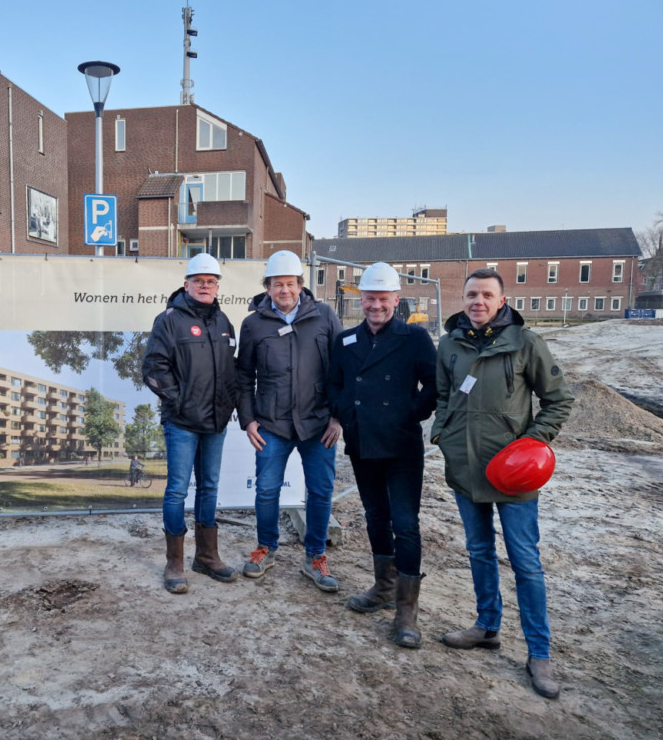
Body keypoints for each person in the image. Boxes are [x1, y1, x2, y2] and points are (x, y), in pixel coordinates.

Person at [432, 268, 574, 699]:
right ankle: (487, 626)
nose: (478, 301)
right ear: (464, 298)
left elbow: (559, 399)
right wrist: (443, 434)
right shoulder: (449, 344)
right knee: (478, 551)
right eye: (471, 294)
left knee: (525, 561)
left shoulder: (525, 343)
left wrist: (530, 445)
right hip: (466, 467)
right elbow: (444, 397)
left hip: (513, 472)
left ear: (502, 300)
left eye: (487, 295)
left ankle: (539, 652)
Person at [325, 262, 437, 648]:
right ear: (362, 299)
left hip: (402, 444)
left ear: (396, 300)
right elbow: (334, 383)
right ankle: (383, 586)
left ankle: (407, 611)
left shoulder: (414, 337)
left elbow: (434, 385)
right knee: (375, 516)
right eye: (369, 298)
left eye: (382, 298)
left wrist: (410, 413)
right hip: (362, 441)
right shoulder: (347, 340)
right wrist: (348, 414)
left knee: (405, 523)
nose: (375, 305)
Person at [236, 250, 343, 591]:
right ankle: (265, 548)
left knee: (321, 492)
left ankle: (315, 557)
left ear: (301, 285)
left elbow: (343, 370)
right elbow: (243, 377)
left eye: (290, 283)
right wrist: (249, 420)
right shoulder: (253, 324)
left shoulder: (325, 316)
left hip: (318, 425)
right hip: (272, 425)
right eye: (277, 284)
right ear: (267, 287)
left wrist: (338, 417)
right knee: (267, 491)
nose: (284, 290)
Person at [142, 252, 240, 593]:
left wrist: (228, 405)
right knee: (177, 491)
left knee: (210, 487)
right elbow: (154, 367)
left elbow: (230, 370)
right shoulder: (169, 320)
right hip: (182, 422)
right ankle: (175, 563)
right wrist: (179, 400)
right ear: (186, 284)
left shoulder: (224, 322)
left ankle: (207, 556)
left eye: (211, 282)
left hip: (215, 422)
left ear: (217, 287)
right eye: (199, 281)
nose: (205, 286)